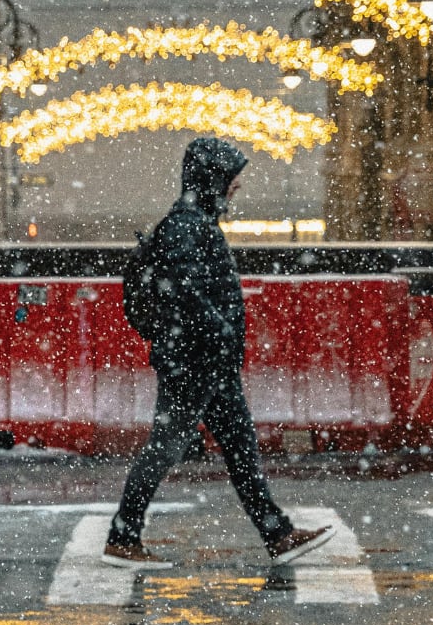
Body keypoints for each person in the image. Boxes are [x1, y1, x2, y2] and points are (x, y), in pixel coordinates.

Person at [103, 136, 334, 569]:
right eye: (232, 179)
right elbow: (187, 293)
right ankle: (122, 536)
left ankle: (277, 533)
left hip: (207, 362)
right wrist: (222, 330)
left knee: (240, 449)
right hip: (194, 361)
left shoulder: (194, 223)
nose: (237, 187)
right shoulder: (188, 226)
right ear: (213, 179)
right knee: (166, 447)